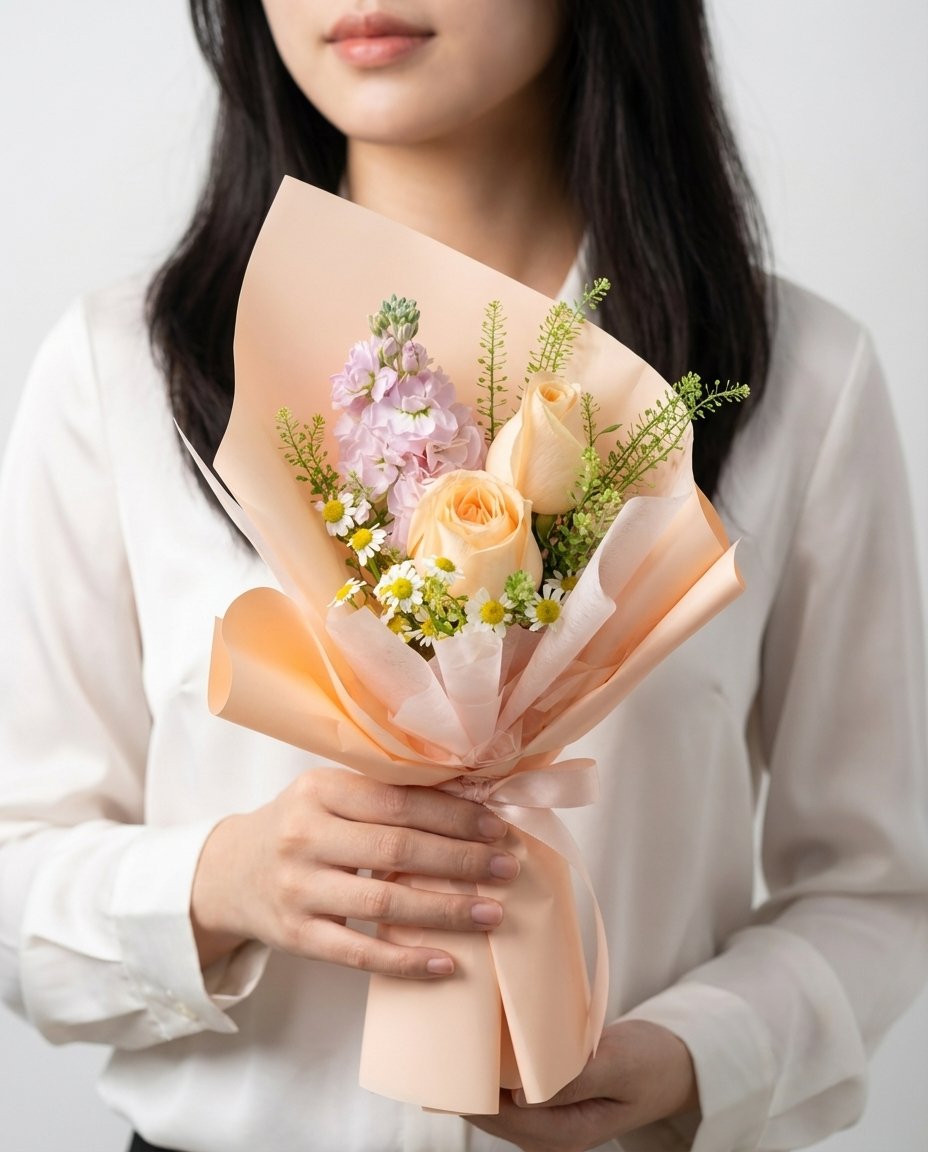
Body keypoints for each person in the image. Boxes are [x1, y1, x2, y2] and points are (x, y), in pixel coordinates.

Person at [1, 2, 926, 1151]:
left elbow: (877, 886)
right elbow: (16, 872)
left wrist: (699, 1051)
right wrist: (223, 882)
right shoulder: (119, 376)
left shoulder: (802, 382)